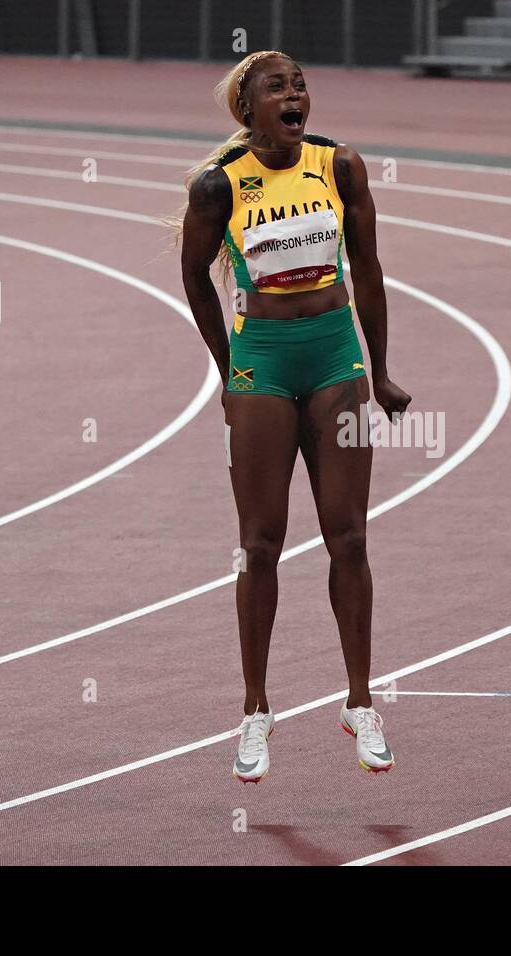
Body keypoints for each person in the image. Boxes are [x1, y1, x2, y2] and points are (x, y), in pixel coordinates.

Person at [174, 51, 412, 783]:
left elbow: (368, 268)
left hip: (335, 357)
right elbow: (193, 276)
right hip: (263, 363)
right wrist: (226, 369)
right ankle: (254, 711)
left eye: (300, 84)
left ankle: (361, 702)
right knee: (259, 544)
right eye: (277, 87)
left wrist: (380, 366)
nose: (295, 94)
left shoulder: (340, 166)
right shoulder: (219, 186)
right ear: (247, 109)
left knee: (348, 536)